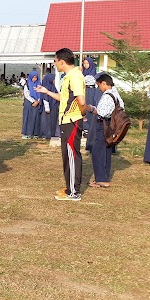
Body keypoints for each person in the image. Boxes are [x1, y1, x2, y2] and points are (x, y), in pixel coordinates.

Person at [35, 48, 87, 201]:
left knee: (72, 155)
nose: (55, 63)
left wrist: (82, 114)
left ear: (62, 62)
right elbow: (64, 98)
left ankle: (74, 192)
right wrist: (47, 92)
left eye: (56, 60)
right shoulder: (68, 77)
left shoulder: (75, 76)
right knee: (67, 155)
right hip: (66, 121)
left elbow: (81, 101)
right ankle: (70, 187)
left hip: (72, 121)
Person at [85, 73, 124, 188]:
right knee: (106, 151)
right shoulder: (116, 94)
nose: (98, 88)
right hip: (111, 126)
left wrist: (91, 109)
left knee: (98, 152)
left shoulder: (107, 95)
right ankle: (104, 177)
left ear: (104, 83)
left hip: (103, 125)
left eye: (99, 86)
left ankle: (101, 179)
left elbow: (102, 112)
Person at [40, 72, 61, 141]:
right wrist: (47, 107)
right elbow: (45, 97)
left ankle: (52, 133)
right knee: (47, 121)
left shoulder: (52, 86)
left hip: (54, 106)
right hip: (48, 107)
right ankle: (46, 134)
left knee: (53, 120)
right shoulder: (46, 87)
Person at [21, 70, 42, 139]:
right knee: (28, 117)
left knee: (36, 118)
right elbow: (26, 94)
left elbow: (41, 93)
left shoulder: (39, 84)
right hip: (29, 103)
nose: (34, 79)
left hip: (37, 103)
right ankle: (27, 133)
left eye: (36, 77)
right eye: (33, 77)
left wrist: (38, 101)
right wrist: (33, 101)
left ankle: (35, 133)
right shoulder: (27, 84)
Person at [82, 57, 99, 139]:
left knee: (90, 108)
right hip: (84, 91)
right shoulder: (83, 72)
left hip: (91, 91)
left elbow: (90, 80)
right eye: (84, 63)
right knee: (83, 108)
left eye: (87, 63)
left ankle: (90, 129)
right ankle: (85, 128)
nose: (85, 65)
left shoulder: (93, 73)